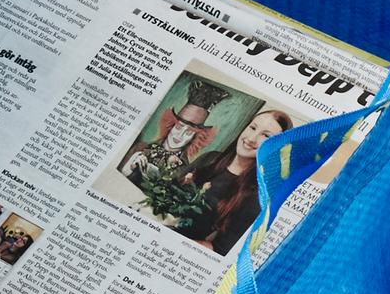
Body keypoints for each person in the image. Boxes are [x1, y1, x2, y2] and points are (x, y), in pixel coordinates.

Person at [186, 108, 294, 256]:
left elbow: (221, 249)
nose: (252, 138)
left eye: (266, 136)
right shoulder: (210, 158)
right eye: (253, 127)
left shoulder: (256, 195)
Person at [119, 77, 230, 191]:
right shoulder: (140, 147)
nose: (180, 135)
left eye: (189, 132)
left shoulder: (185, 171)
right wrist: (127, 170)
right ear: (171, 125)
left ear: (195, 137)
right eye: (179, 127)